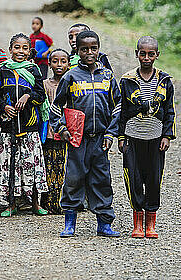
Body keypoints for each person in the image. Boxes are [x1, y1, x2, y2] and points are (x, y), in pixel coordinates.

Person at [50, 30, 122, 237]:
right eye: (84, 49)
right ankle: (70, 223)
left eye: (93, 48)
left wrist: (110, 133)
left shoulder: (107, 76)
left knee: (101, 179)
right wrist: (62, 129)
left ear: (99, 49)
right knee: (74, 178)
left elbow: (117, 106)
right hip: (77, 139)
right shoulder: (70, 76)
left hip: (100, 139)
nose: (89, 53)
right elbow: (56, 106)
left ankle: (104, 223)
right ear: (77, 50)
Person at [118, 36, 176, 238]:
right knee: (133, 178)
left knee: (153, 178)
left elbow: (170, 111)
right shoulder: (127, 80)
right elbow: (121, 110)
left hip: (155, 137)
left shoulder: (165, 80)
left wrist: (167, 136)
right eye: (142, 53)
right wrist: (120, 137)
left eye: (151, 54)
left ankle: (151, 222)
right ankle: (137, 221)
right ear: (136, 54)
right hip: (132, 137)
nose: (146, 57)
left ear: (157, 55)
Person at [0, 33, 49, 217]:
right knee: (9, 166)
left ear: (30, 51)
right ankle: (11, 204)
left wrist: (28, 96)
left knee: (31, 165)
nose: (20, 51)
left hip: (29, 127)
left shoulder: (33, 70)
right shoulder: (2, 71)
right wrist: (4, 106)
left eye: (24, 48)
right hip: (8, 128)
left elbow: (41, 95)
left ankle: (34, 203)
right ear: (10, 50)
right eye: (17, 47)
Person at [41, 49, 70, 214]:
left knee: (62, 167)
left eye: (63, 61)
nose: (59, 65)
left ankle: (60, 202)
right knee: (47, 166)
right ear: (49, 63)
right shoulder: (45, 84)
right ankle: (46, 202)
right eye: (55, 61)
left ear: (68, 63)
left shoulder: (71, 83)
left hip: (65, 132)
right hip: (48, 132)